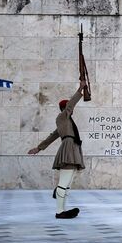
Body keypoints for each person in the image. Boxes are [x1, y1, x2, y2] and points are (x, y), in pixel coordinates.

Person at [28, 81, 88, 219]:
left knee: (68, 183)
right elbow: (71, 104)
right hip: (69, 149)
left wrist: (39, 148)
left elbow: (53, 135)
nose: (71, 109)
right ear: (64, 108)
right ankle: (59, 211)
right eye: (68, 108)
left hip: (73, 149)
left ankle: (62, 208)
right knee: (64, 182)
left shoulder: (66, 121)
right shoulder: (62, 117)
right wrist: (80, 88)